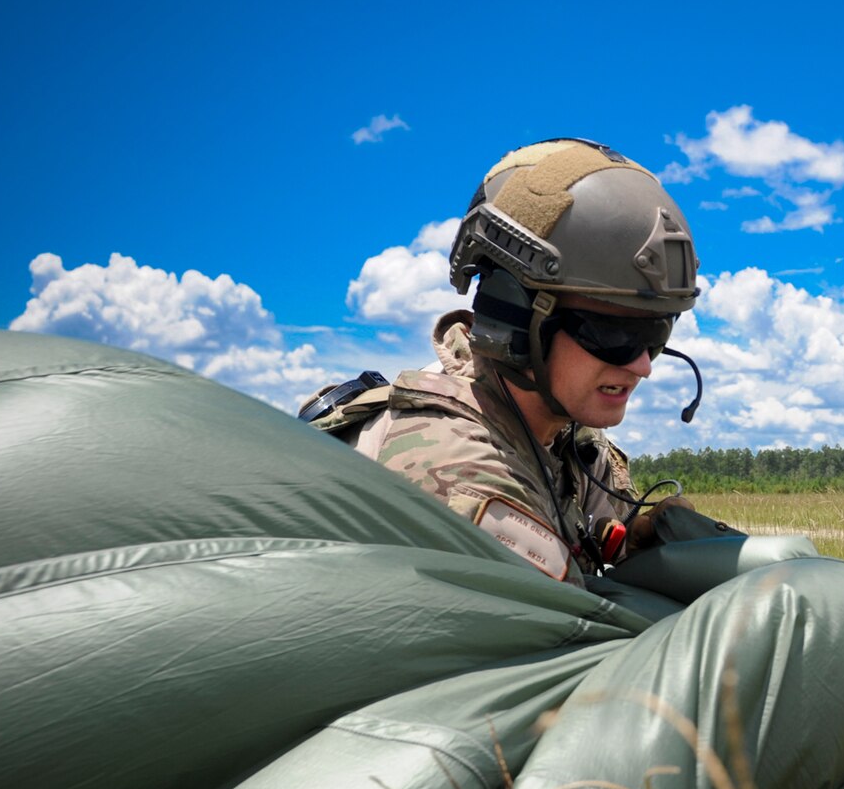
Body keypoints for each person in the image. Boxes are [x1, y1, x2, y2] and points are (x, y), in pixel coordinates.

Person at [303, 138, 710, 586]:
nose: (642, 366)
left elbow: (586, 530)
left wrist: (629, 540)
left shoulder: (566, 438)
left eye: (657, 334)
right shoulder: (457, 469)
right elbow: (573, 640)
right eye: (614, 335)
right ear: (514, 314)